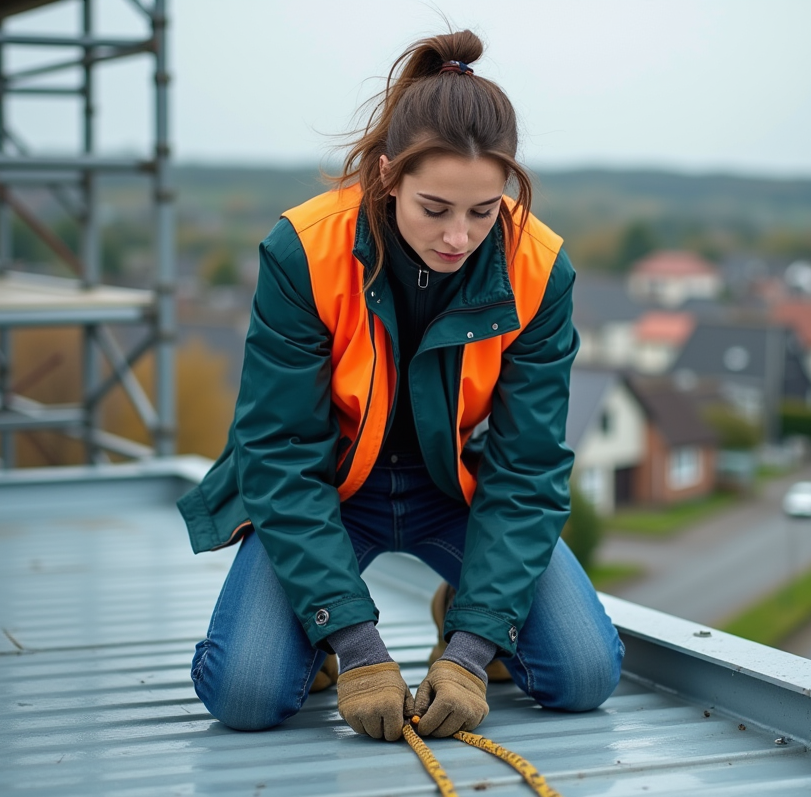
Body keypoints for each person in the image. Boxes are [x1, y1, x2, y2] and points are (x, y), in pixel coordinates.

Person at [177, 30, 624, 742]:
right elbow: (279, 450)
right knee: (247, 695)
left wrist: (474, 649)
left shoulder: (542, 270)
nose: (459, 237)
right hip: (326, 490)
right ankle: (316, 638)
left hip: (454, 496)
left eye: (484, 212)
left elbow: (529, 468)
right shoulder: (304, 249)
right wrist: (355, 647)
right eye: (435, 208)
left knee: (585, 676)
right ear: (388, 176)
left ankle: (463, 605)